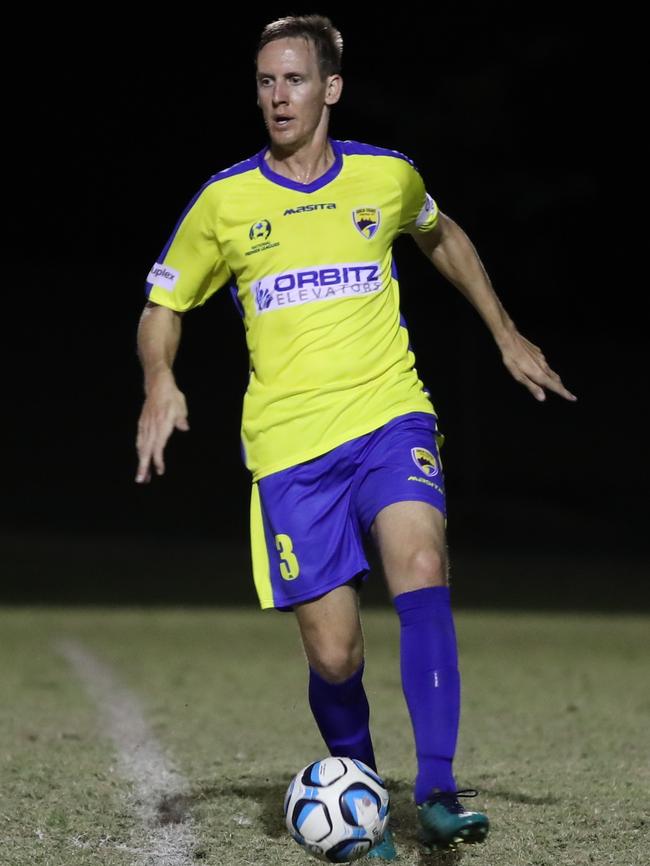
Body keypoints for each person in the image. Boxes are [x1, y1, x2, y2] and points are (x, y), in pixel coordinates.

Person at [135, 14, 576, 860]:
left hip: (387, 415)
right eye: (265, 81)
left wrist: (505, 330)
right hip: (291, 452)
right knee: (336, 654)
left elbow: (441, 233)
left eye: (294, 79)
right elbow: (164, 306)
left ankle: (439, 790)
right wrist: (161, 377)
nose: (277, 97)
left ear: (330, 87)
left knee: (421, 563)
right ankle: (362, 795)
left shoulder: (387, 178)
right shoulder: (226, 200)